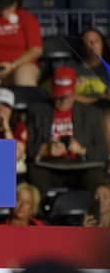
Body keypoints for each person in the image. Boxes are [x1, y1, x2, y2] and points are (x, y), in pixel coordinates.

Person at [26, 66, 107, 194]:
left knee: (97, 182)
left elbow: (102, 153)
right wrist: (45, 149)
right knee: (36, 178)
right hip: (48, 167)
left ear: (74, 92)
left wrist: (81, 149)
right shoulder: (37, 112)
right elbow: (28, 148)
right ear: (52, 92)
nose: (63, 100)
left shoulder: (92, 114)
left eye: (67, 96)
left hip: (81, 167)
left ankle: (94, 213)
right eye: (59, 96)